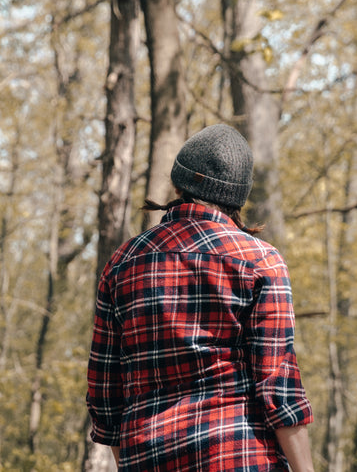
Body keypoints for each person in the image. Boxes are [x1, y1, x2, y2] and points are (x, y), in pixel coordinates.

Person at [87, 124, 314, 471]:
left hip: (147, 456)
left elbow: (105, 393)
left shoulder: (123, 263)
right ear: (238, 197)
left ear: (178, 184)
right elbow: (278, 385)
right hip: (239, 456)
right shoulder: (260, 261)